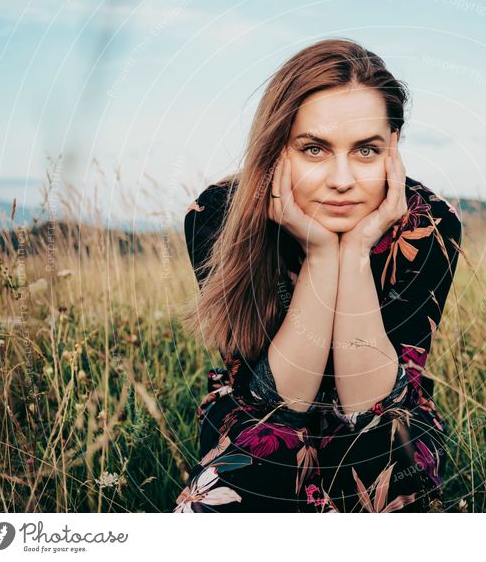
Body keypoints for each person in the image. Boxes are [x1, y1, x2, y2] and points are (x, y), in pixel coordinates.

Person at [172, 38, 462, 513]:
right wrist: (323, 255)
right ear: (276, 146)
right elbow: (278, 406)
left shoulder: (429, 225)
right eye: (314, 149)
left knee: (388, 481)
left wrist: (356, 252)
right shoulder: (219, 215)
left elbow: (372, 409)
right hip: (261, 409)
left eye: (366, 150)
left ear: (394, 148)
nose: (342, 178)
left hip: (384, 414)